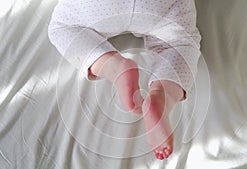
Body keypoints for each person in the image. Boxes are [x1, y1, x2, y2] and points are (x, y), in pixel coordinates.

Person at [48, 0, 201, 160]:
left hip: (99, 6)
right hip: (161, 6)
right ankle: (162, 95)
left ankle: (114, 66)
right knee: (179, 45)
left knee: (61, 28)